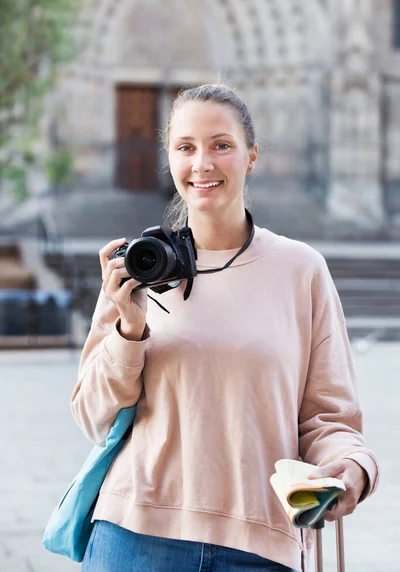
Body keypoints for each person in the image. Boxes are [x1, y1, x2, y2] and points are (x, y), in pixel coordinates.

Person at [71, 84, 379, 572]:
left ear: (251, 155)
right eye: (185, 147)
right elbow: (94, 418)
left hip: (260, 543)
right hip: (134, 538)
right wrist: (128, 331)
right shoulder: (137, 270)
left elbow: (330, 419)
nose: (202, 164)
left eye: (221, 145)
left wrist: (352, 469)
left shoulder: (301, 269)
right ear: (170, 158)